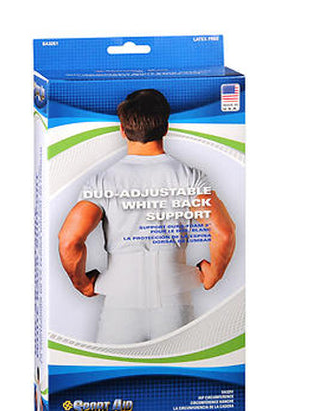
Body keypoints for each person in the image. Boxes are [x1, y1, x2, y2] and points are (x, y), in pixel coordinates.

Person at [58, 89, 235, 344]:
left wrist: (82, 283)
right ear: (166, 128)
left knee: (118, 371)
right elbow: (223, 233)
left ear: (122, 130)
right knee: (176, 370)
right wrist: (213, 275)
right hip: (175, 302)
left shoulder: (102, 182)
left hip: (120, 305)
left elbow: (69, 241)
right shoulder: (189, 178)